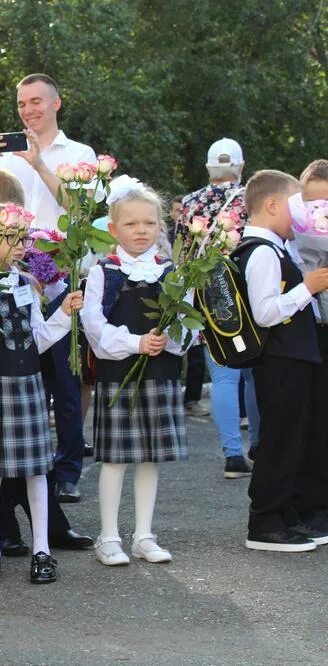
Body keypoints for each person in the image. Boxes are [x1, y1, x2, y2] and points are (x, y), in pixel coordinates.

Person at [0, 73, 96, 503]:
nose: (28, 110)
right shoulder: (7, 157)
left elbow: (79, 211)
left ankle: (67, 470)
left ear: (56, 104)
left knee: (67, 378)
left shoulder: (79, 154)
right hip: (17, 265)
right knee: (21, 367)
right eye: (22, 104)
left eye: (36, 102)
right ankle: (18, 468)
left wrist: (39, 164)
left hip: (61, 264)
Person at [0, 201, 83, 585]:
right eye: (7, 237)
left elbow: (37, 339)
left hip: (28, 384)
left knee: (37, 470)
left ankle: (42, 550)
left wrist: (64, 313)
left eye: (21, 238)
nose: (18, 245)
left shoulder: (26, 284)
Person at [80, 180, 190, 567]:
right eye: (131, 224)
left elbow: (189, 325)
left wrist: (170, 339)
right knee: (114, 458)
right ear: (113, 229)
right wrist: (136, 343)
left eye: (149, 222)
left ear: (161, 226)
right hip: (118, 376)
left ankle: (144, 534)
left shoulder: (173, 273)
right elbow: (94, 328)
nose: (141, 230)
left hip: (160, 373)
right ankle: (108, 536)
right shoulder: (103, 273)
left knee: (149, 457)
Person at [235, 170, 328, 552]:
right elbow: (265, 313)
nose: (303, 214)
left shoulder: (275, 247)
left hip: (293, 359)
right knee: (278, 440)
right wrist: (307, 288)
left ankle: (284, 514)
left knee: (291, 438)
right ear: (272, 205)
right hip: (280, 360)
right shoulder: (261, 252)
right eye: (297, 205)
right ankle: (265, 521)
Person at [179, 138, 258, 477]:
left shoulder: (190, 202)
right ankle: (259, 445)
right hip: (247, 289)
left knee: (222, 374)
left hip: (207, 292)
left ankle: (232, 455)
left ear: (209, 167)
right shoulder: (250, 199)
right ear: (240, 166)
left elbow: (181, 252)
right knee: (255, 371)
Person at [294, 159, 328, 531]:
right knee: (312, 423)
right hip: (309, 334)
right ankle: (312, 505)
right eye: (313, 205)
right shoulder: (289, 238)